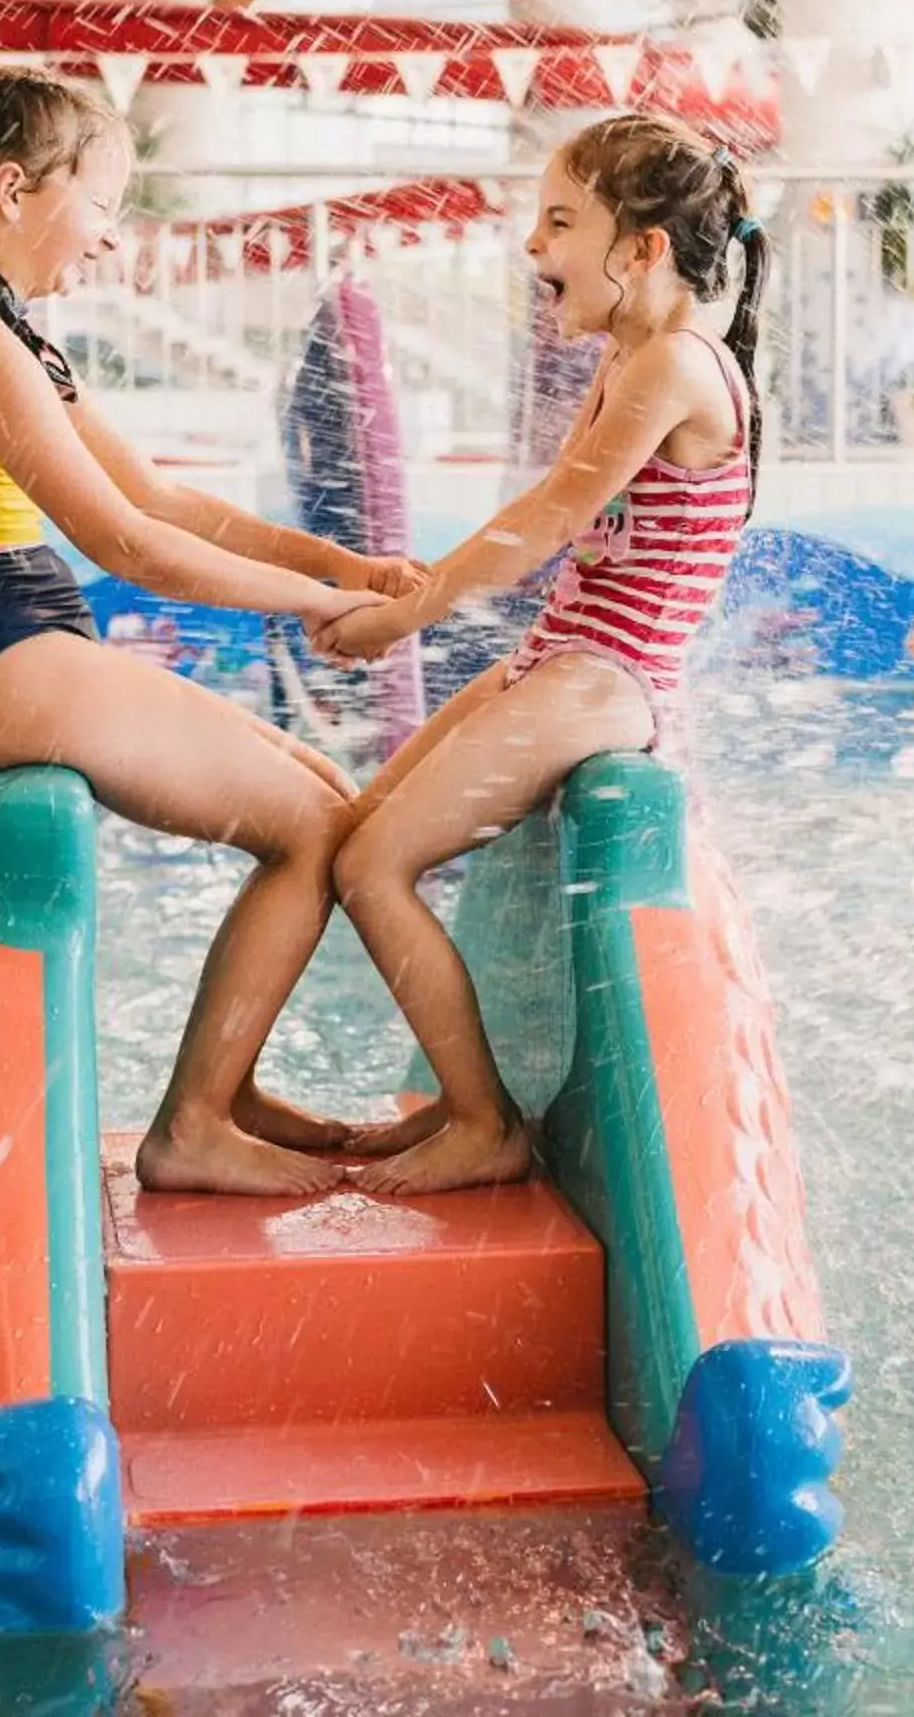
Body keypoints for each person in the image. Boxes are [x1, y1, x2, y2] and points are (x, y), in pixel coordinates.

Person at [0, 67, 418, 1196]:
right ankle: (195, 1127)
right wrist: (321, 611)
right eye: (104, 205)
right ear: (13, 188)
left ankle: (230, 1086)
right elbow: (126, 544)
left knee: (319, 787)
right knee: (315, 829)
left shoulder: (4, 328)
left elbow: (164, 499)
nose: (114, 242)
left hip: (30, 641)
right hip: (0, 654)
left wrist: (336, 561)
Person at [314, 113, 767, 1194]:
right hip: (562, 656)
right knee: (356, 829)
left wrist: (406, 614)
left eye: (560, 222)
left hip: (610, 681)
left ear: (643, 249)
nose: (533, 247)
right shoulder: (629, 357)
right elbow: (546, 518)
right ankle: (444, 1098)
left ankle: (482, 1124)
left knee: (373, 865)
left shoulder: (676, 366)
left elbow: (552, 517)